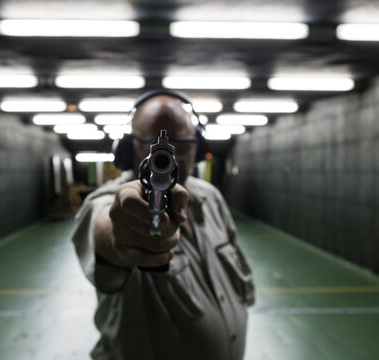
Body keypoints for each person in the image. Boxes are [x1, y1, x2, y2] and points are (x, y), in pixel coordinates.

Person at [71, 89, 255, 360]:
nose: (174, 161)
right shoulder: (110, 200)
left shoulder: (210, 197)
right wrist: (124, 232)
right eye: (156, 148)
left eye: (183, 147)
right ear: (129, 147)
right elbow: (107, 229)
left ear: (199, 146)